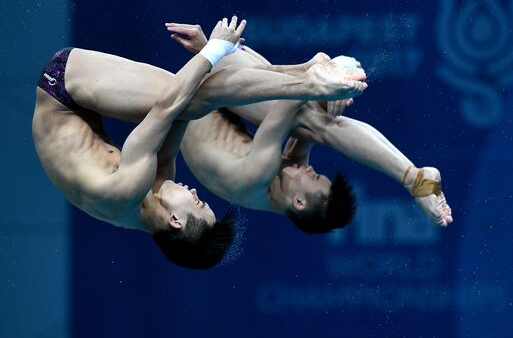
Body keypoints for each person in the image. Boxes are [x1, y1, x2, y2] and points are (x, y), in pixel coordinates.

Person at [33, 16, 367, 269]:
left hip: (62, 85)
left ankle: (311, 84)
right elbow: (191, 100)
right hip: (80, 103)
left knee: (189, 99)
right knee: (194, 101)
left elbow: (170, 105)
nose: (195, 192)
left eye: (196, 203)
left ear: (175, 221)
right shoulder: (157, 190)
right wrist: (212, 52)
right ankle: (306, 76)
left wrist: (214, 50)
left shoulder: (126, 192)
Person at [166, 22, 452, 230]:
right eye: (318, 174)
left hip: (196, 96)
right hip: (217, 94)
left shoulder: (257, 177)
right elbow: (304, 114)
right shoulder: (284, 187)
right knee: (317, 117)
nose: (311, 169)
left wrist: (324, 81)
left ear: (299, 203)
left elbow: (288, 102)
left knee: (311, 117)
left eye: (314, 178)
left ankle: (413, 178)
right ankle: (414, 178)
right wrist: (326, 97)